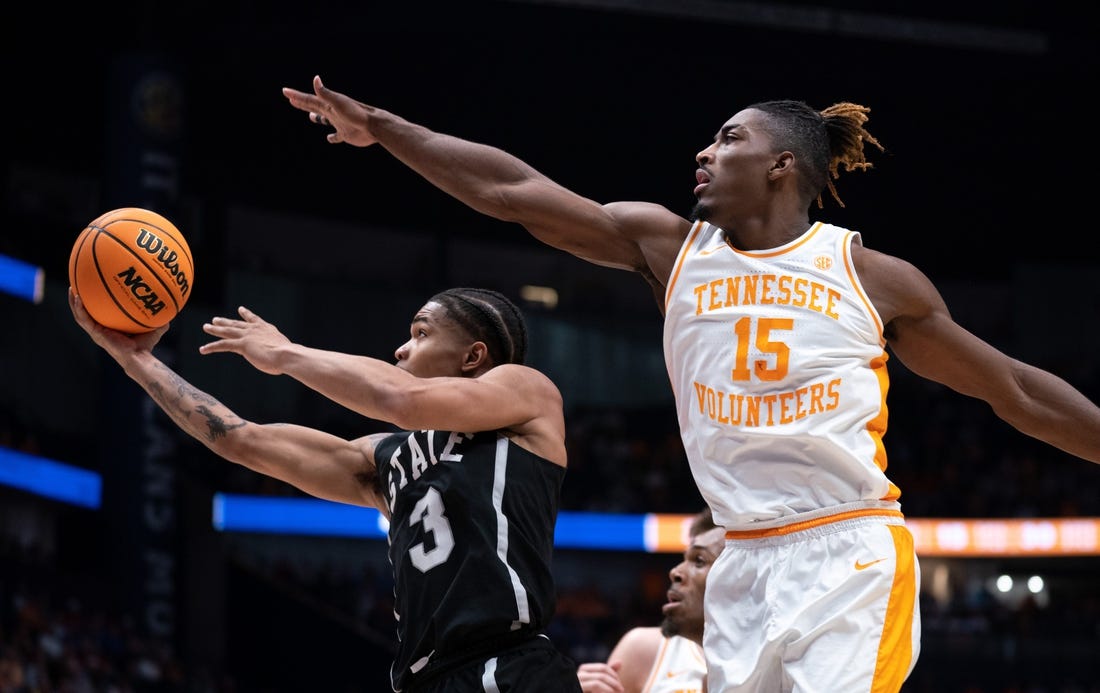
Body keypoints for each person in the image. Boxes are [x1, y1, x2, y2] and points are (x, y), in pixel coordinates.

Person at [282, 76, 1100, 692]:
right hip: (738, 560)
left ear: (782, 164)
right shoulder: (670, 249)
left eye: (727, 138)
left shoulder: (872, 278)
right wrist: (385, 129)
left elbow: (1016, 391)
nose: (704, 153)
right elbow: (512, 193)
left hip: (845, 546)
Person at [68, 285, 583, 693]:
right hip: (424, 678)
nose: (402, 347)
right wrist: (134, 360)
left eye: (421, 333)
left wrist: (286, 353)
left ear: (473, 357)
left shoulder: (527, 393)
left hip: (510, 666)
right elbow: (241, 440)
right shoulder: (383, 459)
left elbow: (398, 397)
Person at [577, 508, 723, 693]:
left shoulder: (767, 666)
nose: (675, 572)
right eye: (684, 558)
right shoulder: (643, 650)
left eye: (699, 560)